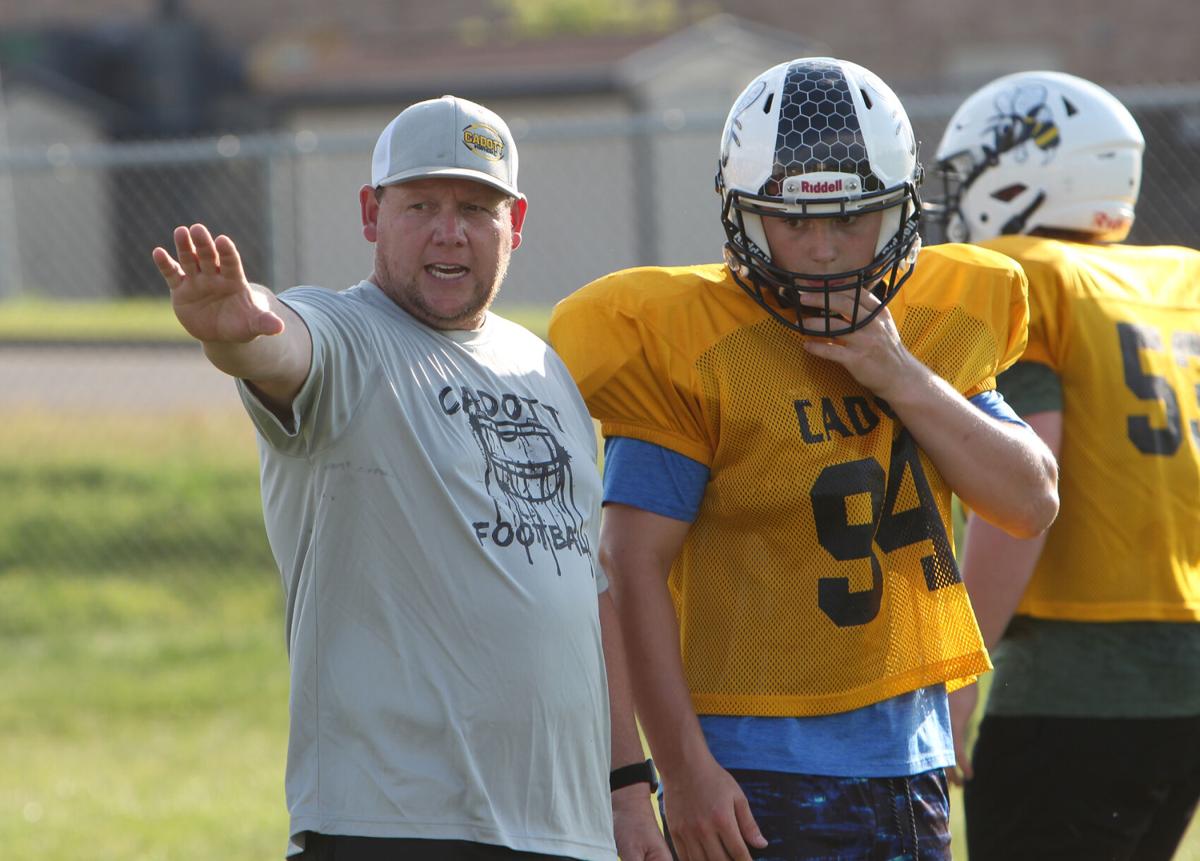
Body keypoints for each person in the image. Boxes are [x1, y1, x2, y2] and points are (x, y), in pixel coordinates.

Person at [548, 57, 1060, 861]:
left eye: (850, 219)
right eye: (794, 222)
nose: (823, 250)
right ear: (744, 218)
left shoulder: (938, 324)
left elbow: (1030, 500)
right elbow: (627, 564)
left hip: (912, 756)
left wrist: (898, 373)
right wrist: (679, 770)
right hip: (750, 767)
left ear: (900, 211)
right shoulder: (693, 343)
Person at [151, 95, 668, 861]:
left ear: (515, 223)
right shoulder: (349, 336)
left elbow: (585, 588)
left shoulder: (544, 369)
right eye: (420, 203)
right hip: (393, 825)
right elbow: (284, 344)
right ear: (371, 213)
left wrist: (627, 787)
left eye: (474, 207)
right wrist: (240, 330)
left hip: (566, 827)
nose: (449, 230)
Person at [934, 70, 1200, 861]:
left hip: (1072, 678)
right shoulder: (1176, 280)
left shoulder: (1026, 276)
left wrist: (959, 670)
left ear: (1021, 172)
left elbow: (1023, 487)